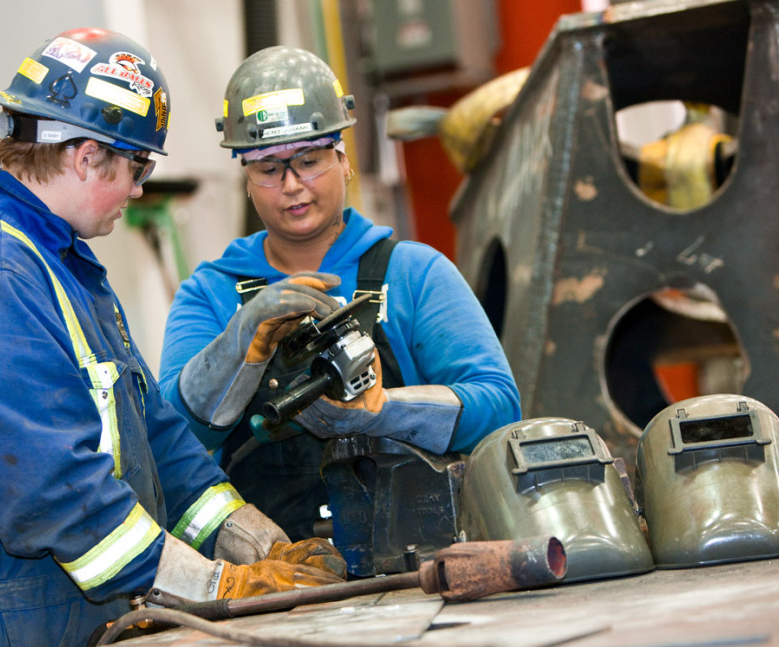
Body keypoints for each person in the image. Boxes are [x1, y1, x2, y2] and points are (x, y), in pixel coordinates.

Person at [0, 29, 345, 647]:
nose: (138, 190)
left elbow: (154, 440)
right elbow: (55, 498)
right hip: (2, 633)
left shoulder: (63, 267)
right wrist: (218, 587)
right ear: (84, 157)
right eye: (138, 168)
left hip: (70, 618)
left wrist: (252, 540)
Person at [158, 45, 522, 541]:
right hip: (275, 570)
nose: (291, 185)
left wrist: (385, 410)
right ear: (244, 176)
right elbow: (172, 439)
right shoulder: (210, 293)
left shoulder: (414, 273)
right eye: (268, 168)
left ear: (343, 159)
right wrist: (237, 346)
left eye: (308, 160)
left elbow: (499, 406)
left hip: (418, 557)